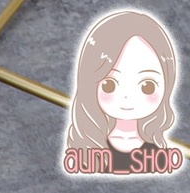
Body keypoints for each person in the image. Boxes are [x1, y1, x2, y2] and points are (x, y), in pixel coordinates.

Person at [65, 10, 177, 174]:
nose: (127, 98)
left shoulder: (158, 151)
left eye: (147, 86)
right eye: (109, 85)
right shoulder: (87, 148)